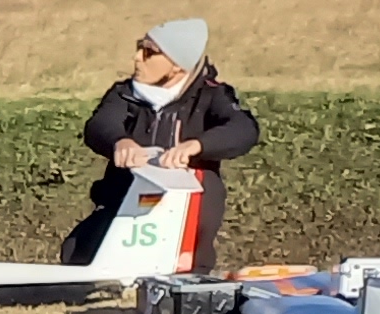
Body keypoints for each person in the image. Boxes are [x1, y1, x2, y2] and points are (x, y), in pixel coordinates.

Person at [72, 19, 256, 276]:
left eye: (149, 52)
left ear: (178, 64)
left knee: (190, 262)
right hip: (123, 201)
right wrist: (119, 140)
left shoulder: (213, 95)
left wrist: (198, 146)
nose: (137, 58)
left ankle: (189, 270)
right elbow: (99, 124)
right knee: (75, 253)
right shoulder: (123, 93)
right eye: (139, 48)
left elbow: (243, 129)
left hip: (186, 210)